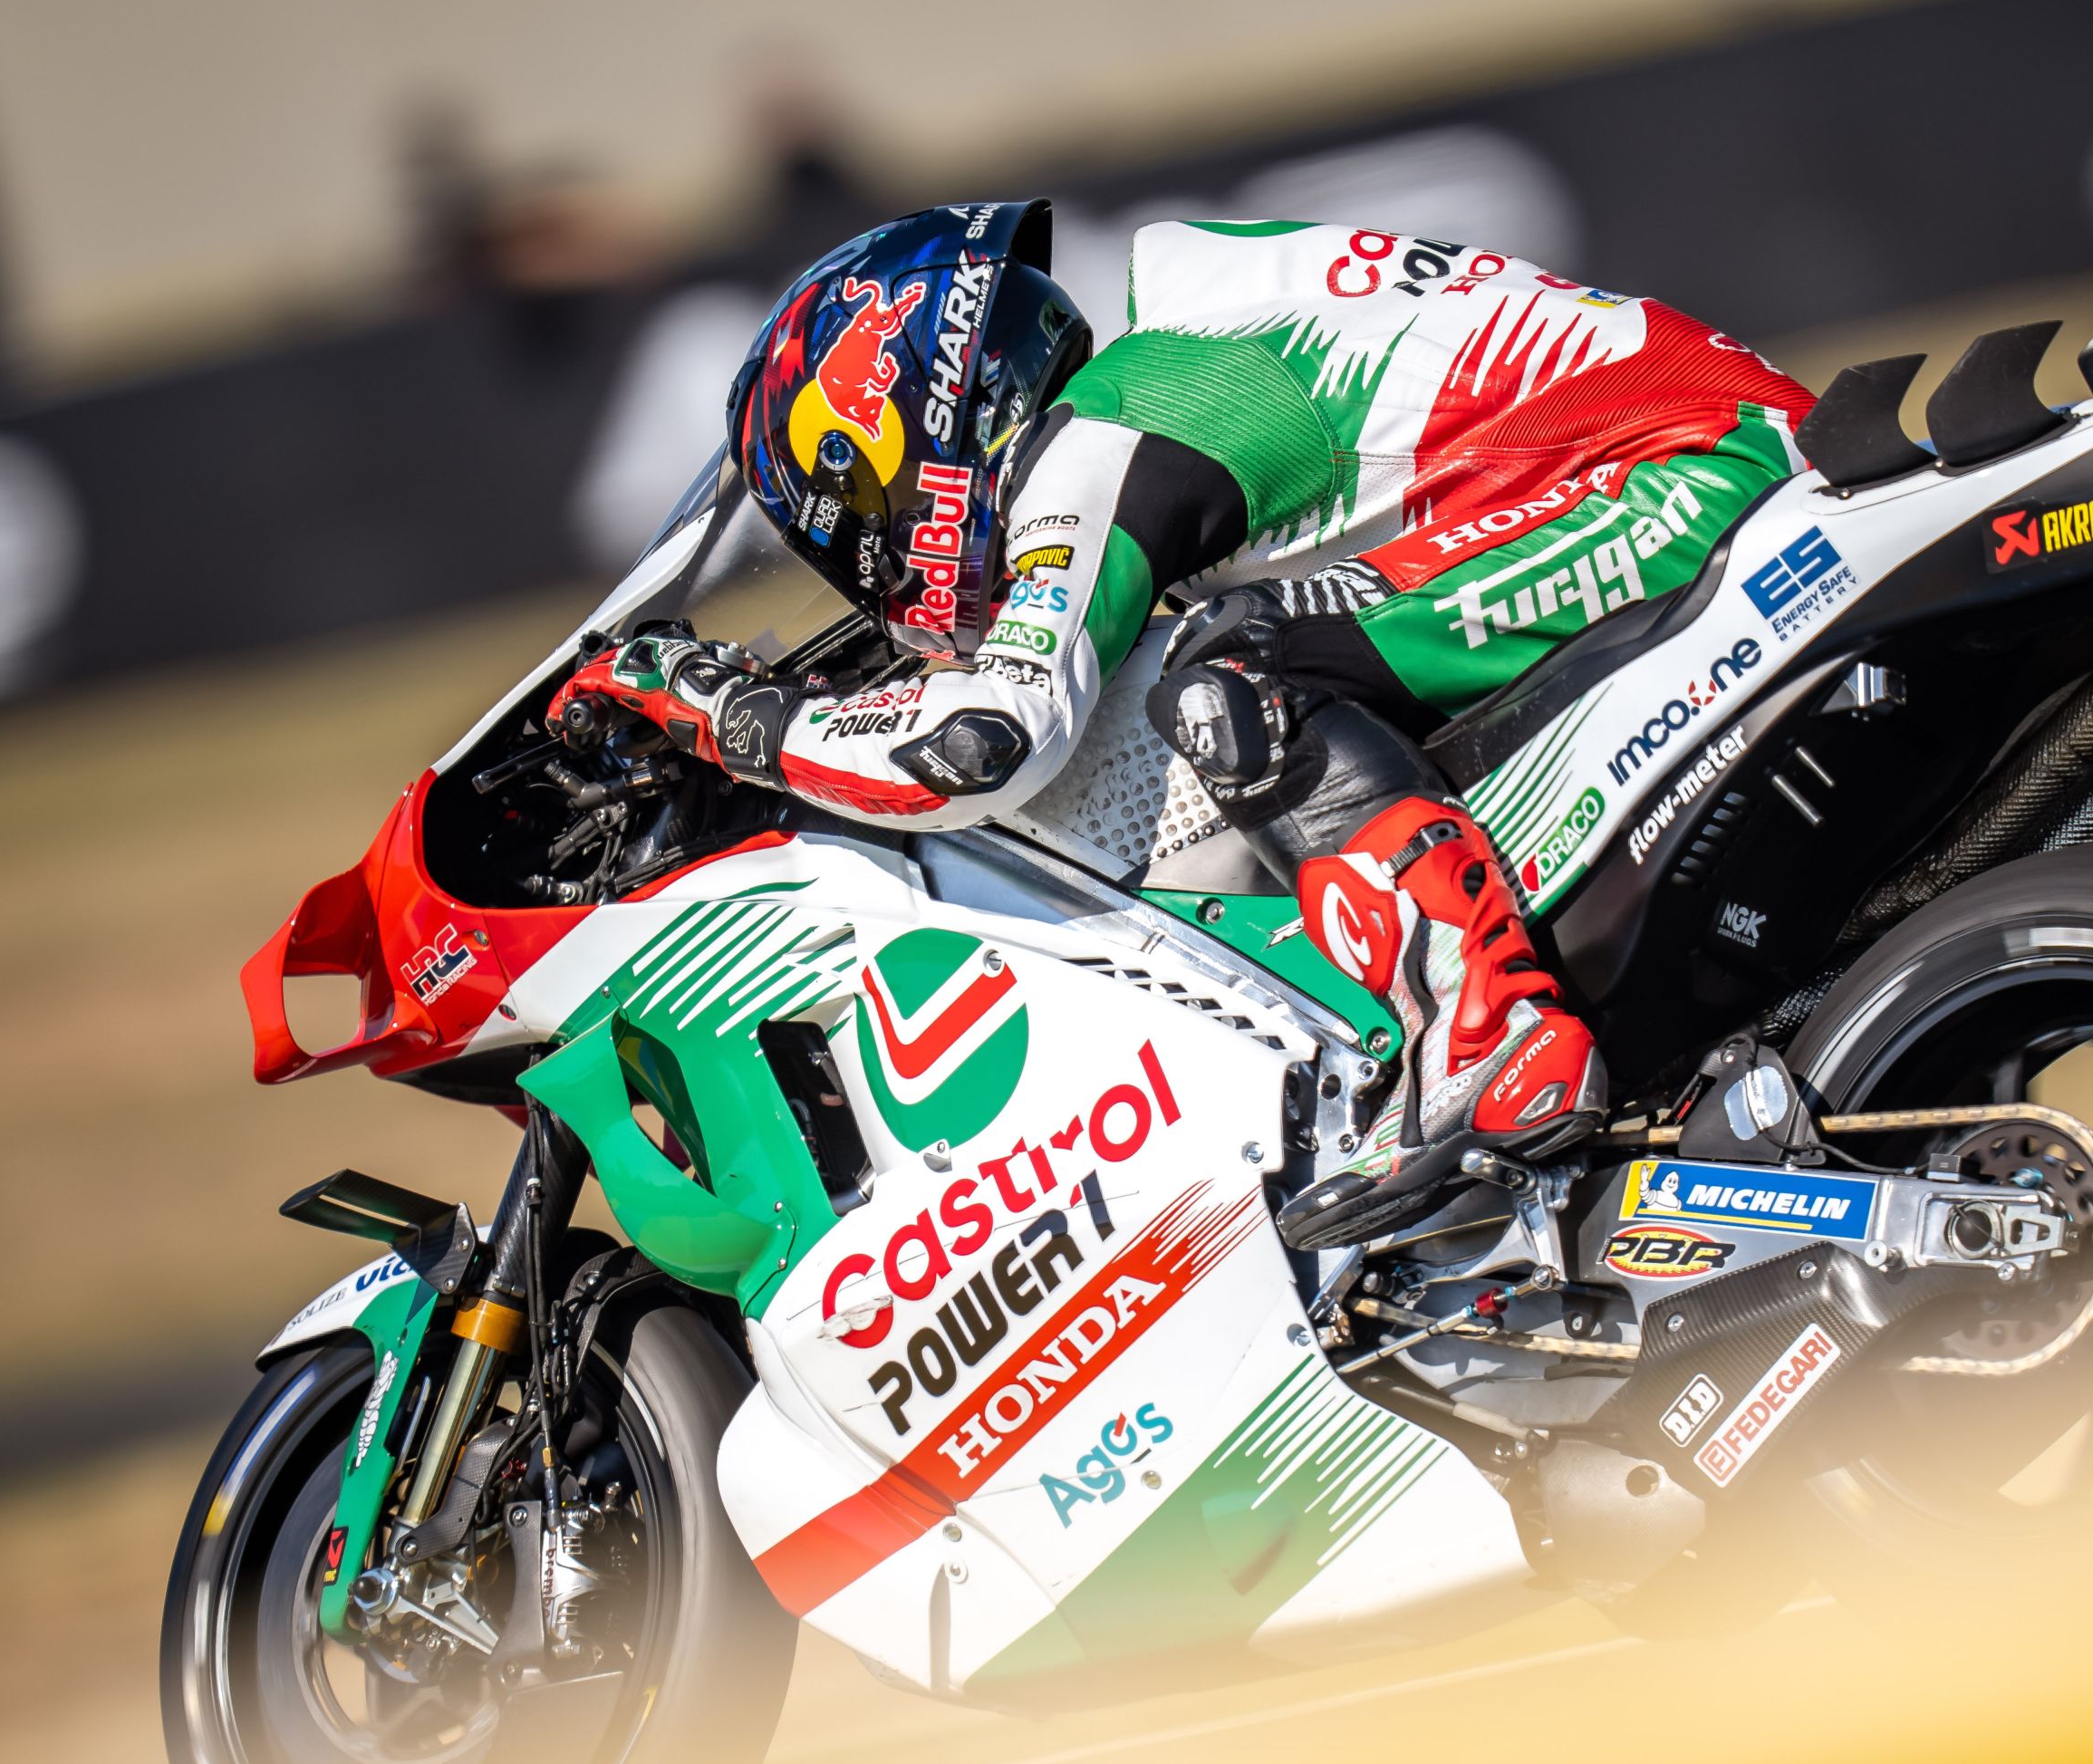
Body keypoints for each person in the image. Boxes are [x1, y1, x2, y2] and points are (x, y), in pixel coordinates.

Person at [545, 201, 1814, 1246]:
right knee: (1244, 653)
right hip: (1655, 461)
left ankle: (1495, 1038)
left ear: (896, 430)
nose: (861, 568)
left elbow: (982, 744)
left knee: (1229, 669)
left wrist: (732, 709)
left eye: (848, 518)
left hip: (1684, 475)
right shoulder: (1162, 376)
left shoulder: (1112, 429)